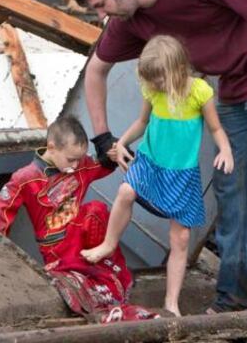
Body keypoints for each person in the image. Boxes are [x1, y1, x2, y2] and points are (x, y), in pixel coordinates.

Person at [74, 0, 247, 312]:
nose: (101, 14)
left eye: (100, 4)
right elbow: (96, 70)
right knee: (230, 186)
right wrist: (102, 136)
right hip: (233, 83)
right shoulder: (130, 20)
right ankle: (233, 294)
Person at [81, 35, 234, 317]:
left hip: (182, 174)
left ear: (176, 70)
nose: (154, 86)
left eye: (159, 80)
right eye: (150, 81)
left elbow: (215, 129)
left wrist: (225, 149)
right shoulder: (153, 92)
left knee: (181, 238)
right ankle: (109, 242)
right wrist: (121, 142)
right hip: (151, 162)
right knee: (126, 191)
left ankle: (171, 303)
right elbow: (142, 122)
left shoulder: (200, 91)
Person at [0, 116, 157, 323]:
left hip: (84, 241)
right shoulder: (25, 178)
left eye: (79, 159)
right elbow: (1, 215)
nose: (75, 165)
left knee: (96, 210)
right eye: (70, 160)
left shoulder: (81, 166)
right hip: (55, 246)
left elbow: (101, 166)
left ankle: (104, 275)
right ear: (51, 147)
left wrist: (113, 155)